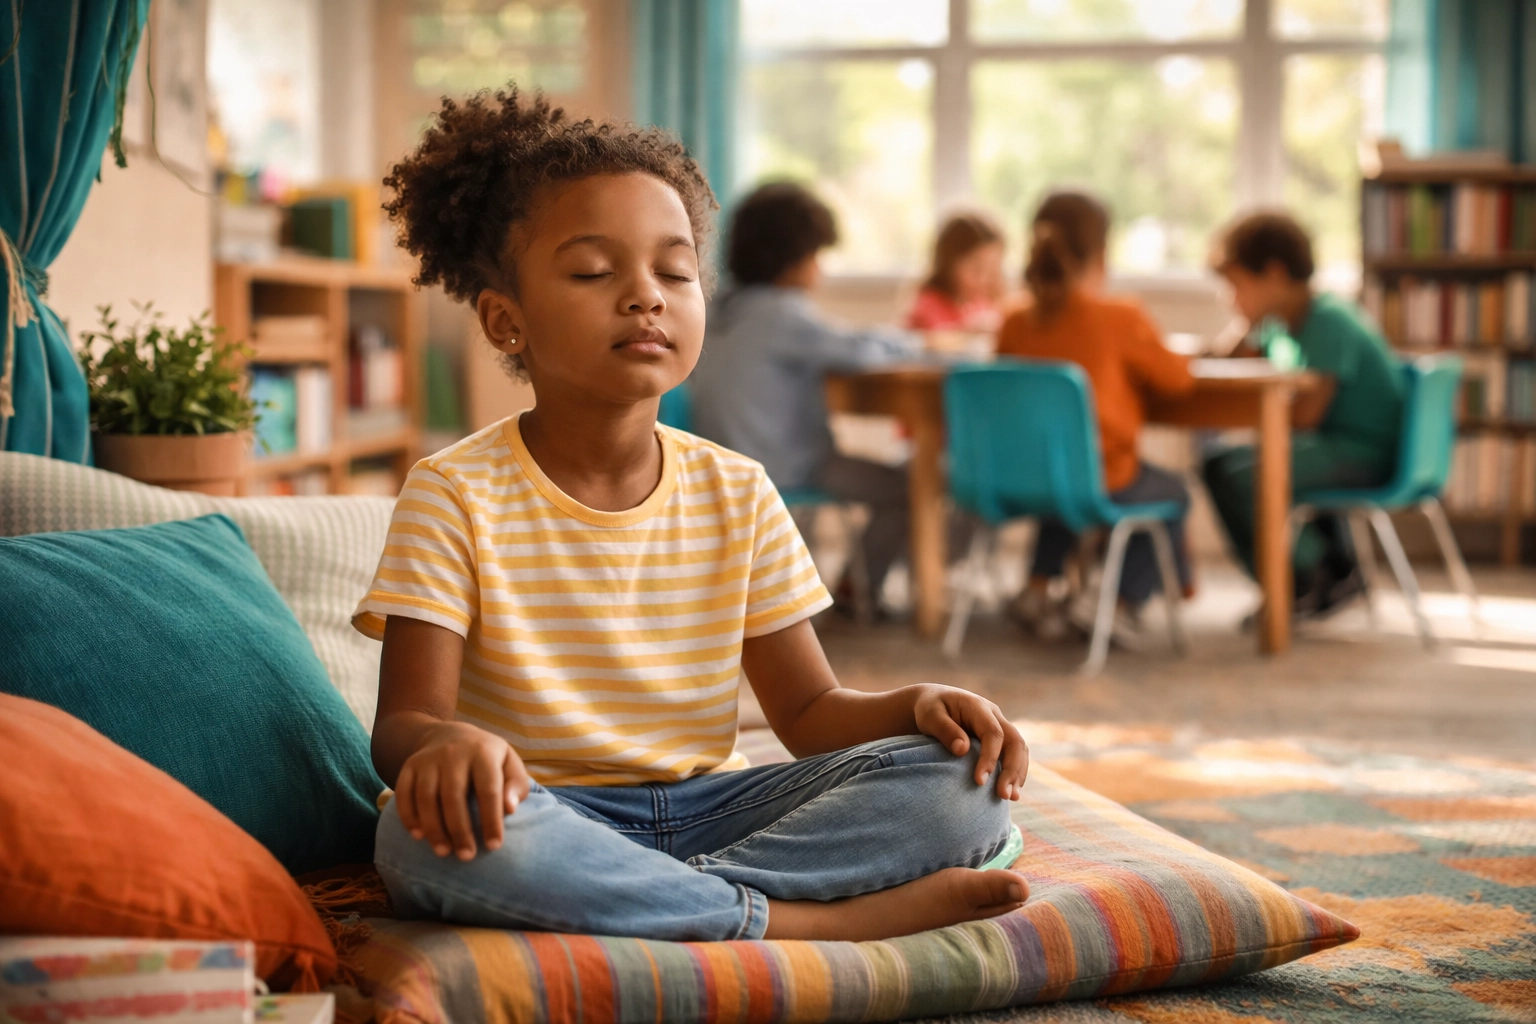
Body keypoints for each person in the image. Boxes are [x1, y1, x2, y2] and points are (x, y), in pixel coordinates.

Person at [355, 89, 1029, 944]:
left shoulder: (738, 489)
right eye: (595, 272)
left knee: (959, 785)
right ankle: (796, 920)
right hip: (541, 806)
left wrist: (921, 700)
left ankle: (654, 905)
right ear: (506, 319)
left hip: (722, 807)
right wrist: (442, 748)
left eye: (675, 272)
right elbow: (402, 727)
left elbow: (811, 712)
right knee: (416, 840)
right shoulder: (453, 491)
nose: (647, 297)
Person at [691, 182, 923, 613]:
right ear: (791, 259)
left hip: (721, 464)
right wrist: (911, 341)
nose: (820, 270)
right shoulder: (781, 312)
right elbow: (857, 350)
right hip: (788, 466)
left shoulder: (718, 308)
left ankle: (854, 586)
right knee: (907, 486)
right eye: (816, 256)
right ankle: (861, 591)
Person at [994, 191, 1196, 645]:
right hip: (1102, 475)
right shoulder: (1119, 317)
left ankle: (1037, 587)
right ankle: (1117, 602)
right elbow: (1178, 382)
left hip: (1030, 474)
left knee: (1064, 478)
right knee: (1172, 492)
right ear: (1103, 254)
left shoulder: (1013, 321)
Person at [1204, 212, 1404, 618]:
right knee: (1215, 465)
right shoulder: (1280, 323)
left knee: (1247, 475)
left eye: (1237, 285)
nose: (1230, 299)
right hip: (1326, 448)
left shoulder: (1329, 320)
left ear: (1275, 275)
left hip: (1361, 451)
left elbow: (1305, 418)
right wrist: (1246, 324)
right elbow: (1227, 358)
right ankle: (1292, 578)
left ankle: (1318, 571)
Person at [906, 213, 1007, 332]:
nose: (983, 279)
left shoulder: (982, 304)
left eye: (992, 270)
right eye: (977, 269)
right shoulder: (928, 305)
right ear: (948, 264)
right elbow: (928, 342)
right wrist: (967, 332)